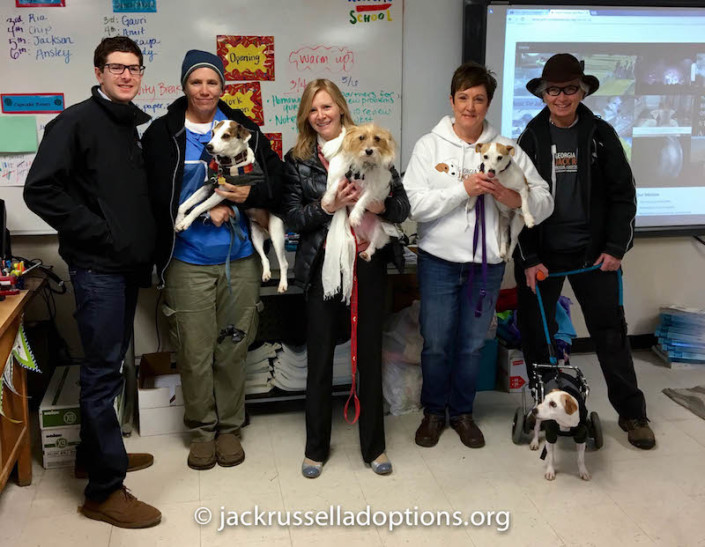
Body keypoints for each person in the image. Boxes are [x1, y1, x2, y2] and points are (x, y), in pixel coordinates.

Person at [23, 36, 161, 528]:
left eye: (134, 68)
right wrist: (100, 232)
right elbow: (39, 189)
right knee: (103, 376)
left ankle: (91, 459)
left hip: (122, 268)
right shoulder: (75, 121)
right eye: (116, 67)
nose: (126, 75)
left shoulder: (125, 125)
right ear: (99, 71)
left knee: (107, 369)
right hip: (97, 268)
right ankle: (104, 492)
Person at [142, 50, 284, 470]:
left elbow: (272, 181)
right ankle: (202, 431)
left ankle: (230, 429)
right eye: (196, 82)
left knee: (233, 347)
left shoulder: (245, 130)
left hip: (239, 256)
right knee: (195, 351)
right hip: (186, 258)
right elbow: (151, 196)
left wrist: (244, 199)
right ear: (184, 86)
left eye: (212, 82)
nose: (204, 90)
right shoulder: (162, 133)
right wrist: (207, 208)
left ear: (223, 87)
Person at [404, 62, 553, 449]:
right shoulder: (428, 146)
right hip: (437, 261)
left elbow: (544, 199)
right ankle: (434, 412)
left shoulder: (508, 148)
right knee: (436, 343)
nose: (470, 107)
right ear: (451, 100)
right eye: (464, 98)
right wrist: (463, 190)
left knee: (472, 344)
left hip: (485, 266)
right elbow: (413, 206)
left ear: (489, 104)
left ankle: (463, 413)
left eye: (479, 99)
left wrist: (511, 197)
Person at [515, 53, 655, 449]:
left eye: (570, 89)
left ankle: (633, 413)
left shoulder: (601, 134)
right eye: (554, 90)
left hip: (594, 258)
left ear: (583, 91)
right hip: (544, 258)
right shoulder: (530, 138)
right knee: (536, 338)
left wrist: (615, 248)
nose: (562, 97)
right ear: (543, 94)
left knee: (611, 336)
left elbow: (623, 196)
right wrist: (528, 258)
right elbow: (518, 203)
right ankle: (546, 410)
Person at [282, 79, 409, 478]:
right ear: (306, 115)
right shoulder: (298, 159)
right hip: (323, 265)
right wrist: (327, 204)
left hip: (368, 262)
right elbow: (293, 218)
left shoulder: (373, 149)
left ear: (340, 109)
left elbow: (401, 207)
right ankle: (315, 448)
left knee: (368, 354)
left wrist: (377, 203)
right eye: (314, 109)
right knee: (319, 357)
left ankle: (374, 447)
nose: (321, 115)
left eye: (328, 107)